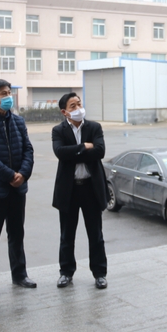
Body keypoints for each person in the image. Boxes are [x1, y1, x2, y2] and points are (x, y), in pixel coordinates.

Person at [0, 79, 36, 299]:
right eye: (3, 94)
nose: (8, 97)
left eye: (9, 93)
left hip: (18, 190)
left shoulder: (18, 121)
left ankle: (19, 275)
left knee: (17, 233)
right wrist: (10, 175)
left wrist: (23, 173)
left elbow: (28, 149)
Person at [52, 92, 109, 289]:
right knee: (67, 235)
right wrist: (84, 147)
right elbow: (60, 153)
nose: (78, 108)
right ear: (64, 112)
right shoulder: (58, 131)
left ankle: (100, 273)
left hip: (91, 188)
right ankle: (66, 272)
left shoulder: (94, 127)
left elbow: (100, 151)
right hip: (69, 190)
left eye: (79, 104)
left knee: (96, 235)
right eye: (73, 106)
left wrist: (74, 152)